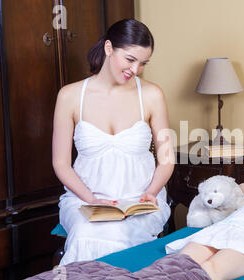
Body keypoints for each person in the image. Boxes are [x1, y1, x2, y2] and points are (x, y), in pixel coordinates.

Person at [52, 19, 174, 265]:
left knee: (123, 232)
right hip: (84, 199)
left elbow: (166, 159)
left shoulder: (152, 95)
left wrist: (151, 192)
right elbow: (61, 163)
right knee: (88, 233)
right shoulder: (70, 96)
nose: (136, 69)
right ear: (109, 48)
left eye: (143, 63)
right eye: (130, 59)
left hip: (140, 200)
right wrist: (91, 200)